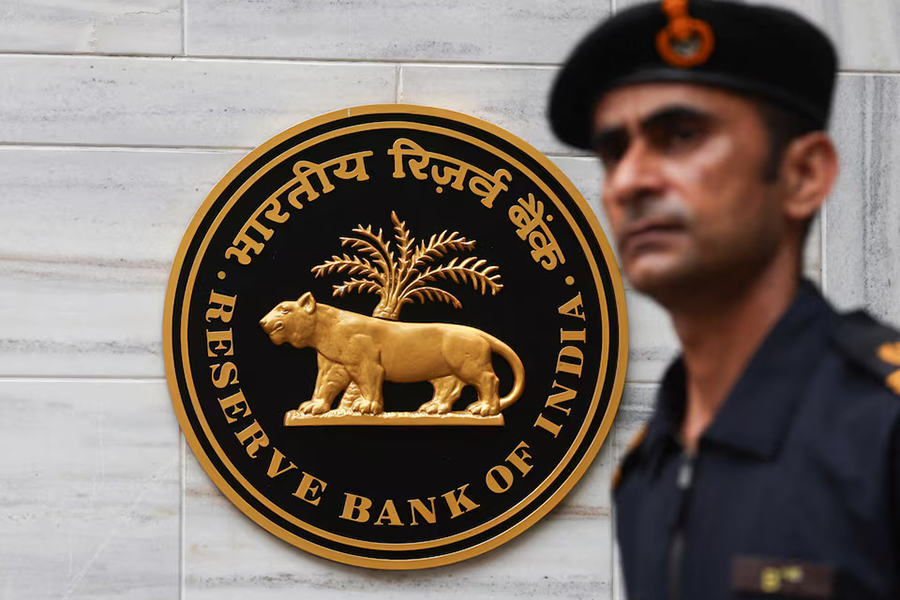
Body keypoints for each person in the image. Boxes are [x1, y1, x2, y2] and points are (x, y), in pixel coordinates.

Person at [549, 1, 900, 598]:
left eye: (681, 136)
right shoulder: (649, 465)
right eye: (614, 151)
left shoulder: (881, 431)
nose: (630, 180)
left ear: (804, 174)